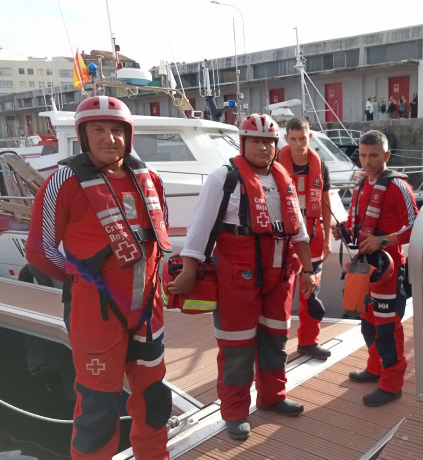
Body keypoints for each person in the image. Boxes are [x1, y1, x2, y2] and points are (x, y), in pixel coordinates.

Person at [26, 96, 172, 459]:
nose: (110, 138)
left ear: (129, 134)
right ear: (83, 134)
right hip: (95, 317)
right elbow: (40, 251)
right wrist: (83, 281)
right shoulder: (62, 182)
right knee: (98, 413)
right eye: (99, 129)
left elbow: (158, 237)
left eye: (118, 130)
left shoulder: (149, 178)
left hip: (148, 313)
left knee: (155, 402)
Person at [168, 113, 316, 439]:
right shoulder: (225, 178)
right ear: (243, 142)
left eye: (268, 142)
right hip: (237, 278)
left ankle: (272, 397)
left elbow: (299, 230)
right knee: (237, 348)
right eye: (256, 141)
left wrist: (308, 270)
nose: (263, 148)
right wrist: (190, 270)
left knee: (275, 340)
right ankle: (235, 412)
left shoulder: (283, 178)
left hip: (280, 276)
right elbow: (200, 228)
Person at [339, 130, 418, 407]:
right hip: (365, 267)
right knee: (368, 323)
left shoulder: (398, 188)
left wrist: (383, 240)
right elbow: (354, 222)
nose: (367, 161)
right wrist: (345, 233)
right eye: (362, 155)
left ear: (386, 155)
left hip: (388, 266)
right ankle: (375, 369)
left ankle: (392, 384)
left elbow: (415, 226)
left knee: (387, 329)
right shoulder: (362, 185)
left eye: (373, 155)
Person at [279, 117, 333, 360]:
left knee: (311, 293)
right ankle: (276, 347)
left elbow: (325, 203)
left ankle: (308, 342)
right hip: (284, 238)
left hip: (313, 236)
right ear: (286, 139)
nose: (299, 143)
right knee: (281, 297)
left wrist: (329, 239)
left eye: (303, 138)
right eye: (293, 139)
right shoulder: (275, 164)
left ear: (310, 136)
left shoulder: (320, 164)